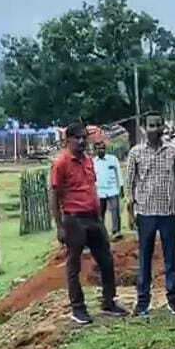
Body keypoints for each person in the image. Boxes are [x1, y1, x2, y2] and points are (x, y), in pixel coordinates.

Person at [50, 123, 128, 325]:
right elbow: (54, 195)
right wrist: (59, 226)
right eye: (77, 138)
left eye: (84, 137)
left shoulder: (88, 161)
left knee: (106, 260)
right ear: (68, 140)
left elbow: (91, 188)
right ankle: (78, 308)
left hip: (94, 217)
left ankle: (109, 301)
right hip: (74, 219)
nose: (82, 141)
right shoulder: (61, 163)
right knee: (74, 264)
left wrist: (99, 217)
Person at [124, 113, 175, 317]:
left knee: (171, 258)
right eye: (151, 125)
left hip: (169, 212)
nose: (155, 129)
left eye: (158, 125)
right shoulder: (135, 153)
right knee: (145, 257)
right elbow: (129, 183)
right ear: (144, 128)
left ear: (163, 127)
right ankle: (143, 301)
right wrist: (130, 211)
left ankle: (173, 299)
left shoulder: (173, 151)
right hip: (145, 213)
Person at [92, 140, 124, 238]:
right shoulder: (93, 162)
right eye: (98, 149)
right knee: (100, 213)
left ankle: (116, 231)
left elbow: (119, 173)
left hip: (112, 190)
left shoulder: (113, 159)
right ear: (95, 150)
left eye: (103, 148)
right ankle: (101, 233)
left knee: (115, 211)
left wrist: (121, 186)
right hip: (100, 191)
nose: (101, 150)